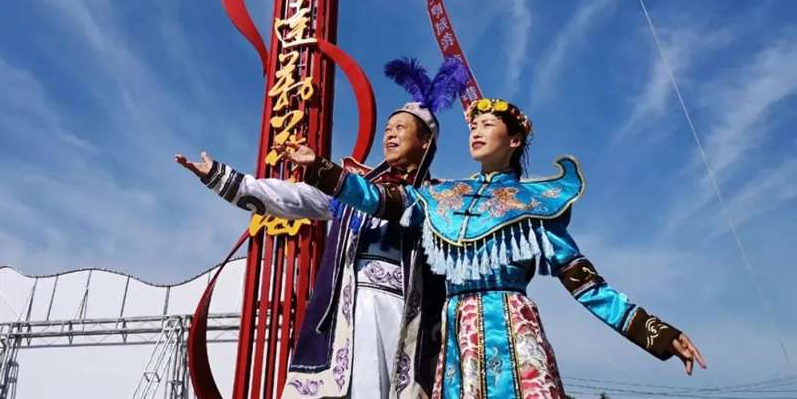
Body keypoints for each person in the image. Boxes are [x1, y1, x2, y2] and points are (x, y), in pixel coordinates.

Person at [281, 94, 707, 399]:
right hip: (457, 335)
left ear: (514, 140)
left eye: (487, 125)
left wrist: (655, 333)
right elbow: (379, 199)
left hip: (512, 327)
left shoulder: (535, 206)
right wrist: (320, 168)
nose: (476, 130)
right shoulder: (442, 198)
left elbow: (588, 286)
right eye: (473, 125)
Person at [174, 57, 469, 399]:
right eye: (388, 129)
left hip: (405, 313)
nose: (390, 134)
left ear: (425, 142)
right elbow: (293, 197)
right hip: (349, 310)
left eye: (401, 128)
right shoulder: (353, 188)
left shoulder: (439, 198)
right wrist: (221, 177)